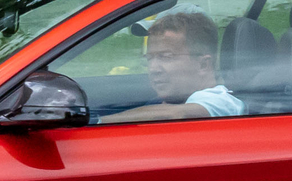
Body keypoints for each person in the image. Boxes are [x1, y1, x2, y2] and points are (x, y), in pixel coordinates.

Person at [103, 10, 244, 124]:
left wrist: (96, 122)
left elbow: (177, 115)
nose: (153, 69)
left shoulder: (221, 101)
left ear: (203, 64)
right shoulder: (168, 99)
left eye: (165, 57)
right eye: (150, 58)